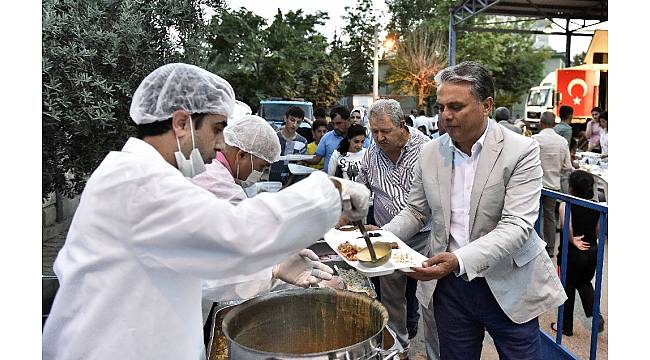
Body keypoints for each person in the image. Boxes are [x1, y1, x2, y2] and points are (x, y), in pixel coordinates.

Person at [42, 63, 371, 360]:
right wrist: (331, 189)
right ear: (182, 123)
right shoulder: (139, 182)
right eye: (217, 129)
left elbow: (195, 264)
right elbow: (236, 233)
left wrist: (271, 269)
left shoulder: (145, 176)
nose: (220, 143)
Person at [382, 61, 566, 360]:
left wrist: (458, 260)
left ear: (486, 105)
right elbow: (416, 211)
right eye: (441, 107)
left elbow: (517, 226)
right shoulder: (430, 152)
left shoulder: (521, 151)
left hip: (509, 281)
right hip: (450, 289)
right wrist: (379, 237)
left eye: (456, 106)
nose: (445, 116)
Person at [191, 115, 334, 326]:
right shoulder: (221, 186)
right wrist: (274, 270)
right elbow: (238, 255)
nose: (260, 173)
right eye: (261, 166)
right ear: (241, 155)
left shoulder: (210, 169)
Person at [357, 99, 435, 360]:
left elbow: (420, 209)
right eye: (374, 131)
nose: (379, 137)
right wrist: (351, 209)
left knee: (431, 298)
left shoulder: (426, 150)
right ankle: (399, 348)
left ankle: (436, 351)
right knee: (391, 297)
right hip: (385, 235)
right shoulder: (372, 152)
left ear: (402, 125)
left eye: (385, 131)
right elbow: (362, 187)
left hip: (425, 238)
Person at [551, 170, 605, 337]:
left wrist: (573, 240)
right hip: (591, 251)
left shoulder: (566, 205)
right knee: (585, 283)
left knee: (567, 288)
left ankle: (565, 327)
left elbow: (567, 229)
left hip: (572, 254)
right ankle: (596, 318)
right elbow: (597, 231)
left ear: (571, 187)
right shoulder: (597, 206)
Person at [532, 111, 574, 257]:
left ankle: (534, 249)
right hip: (553, 187)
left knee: (534, 216)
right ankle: (550, 249)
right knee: (550, 217)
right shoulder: (562, 142)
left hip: (536, 186)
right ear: (554, 125)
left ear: (541, 123)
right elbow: (567, 166)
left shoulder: (534, 139)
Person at [303, 106, 351, 173]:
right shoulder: (326, 137)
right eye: (333, 124)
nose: (335, 127)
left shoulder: (358, 137)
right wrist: (300, 158)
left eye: (339, 123)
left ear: (348, 120)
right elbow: (317, 159)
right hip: (330, 181)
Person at [269, 106, 308, 185]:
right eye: (292, 120)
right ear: (285, 118)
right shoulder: (274, 138)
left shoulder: (302, 142)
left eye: (298, 122)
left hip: (292, 185)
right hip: (272, 182)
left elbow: (299, 166)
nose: (294, 125)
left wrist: (287, 185)